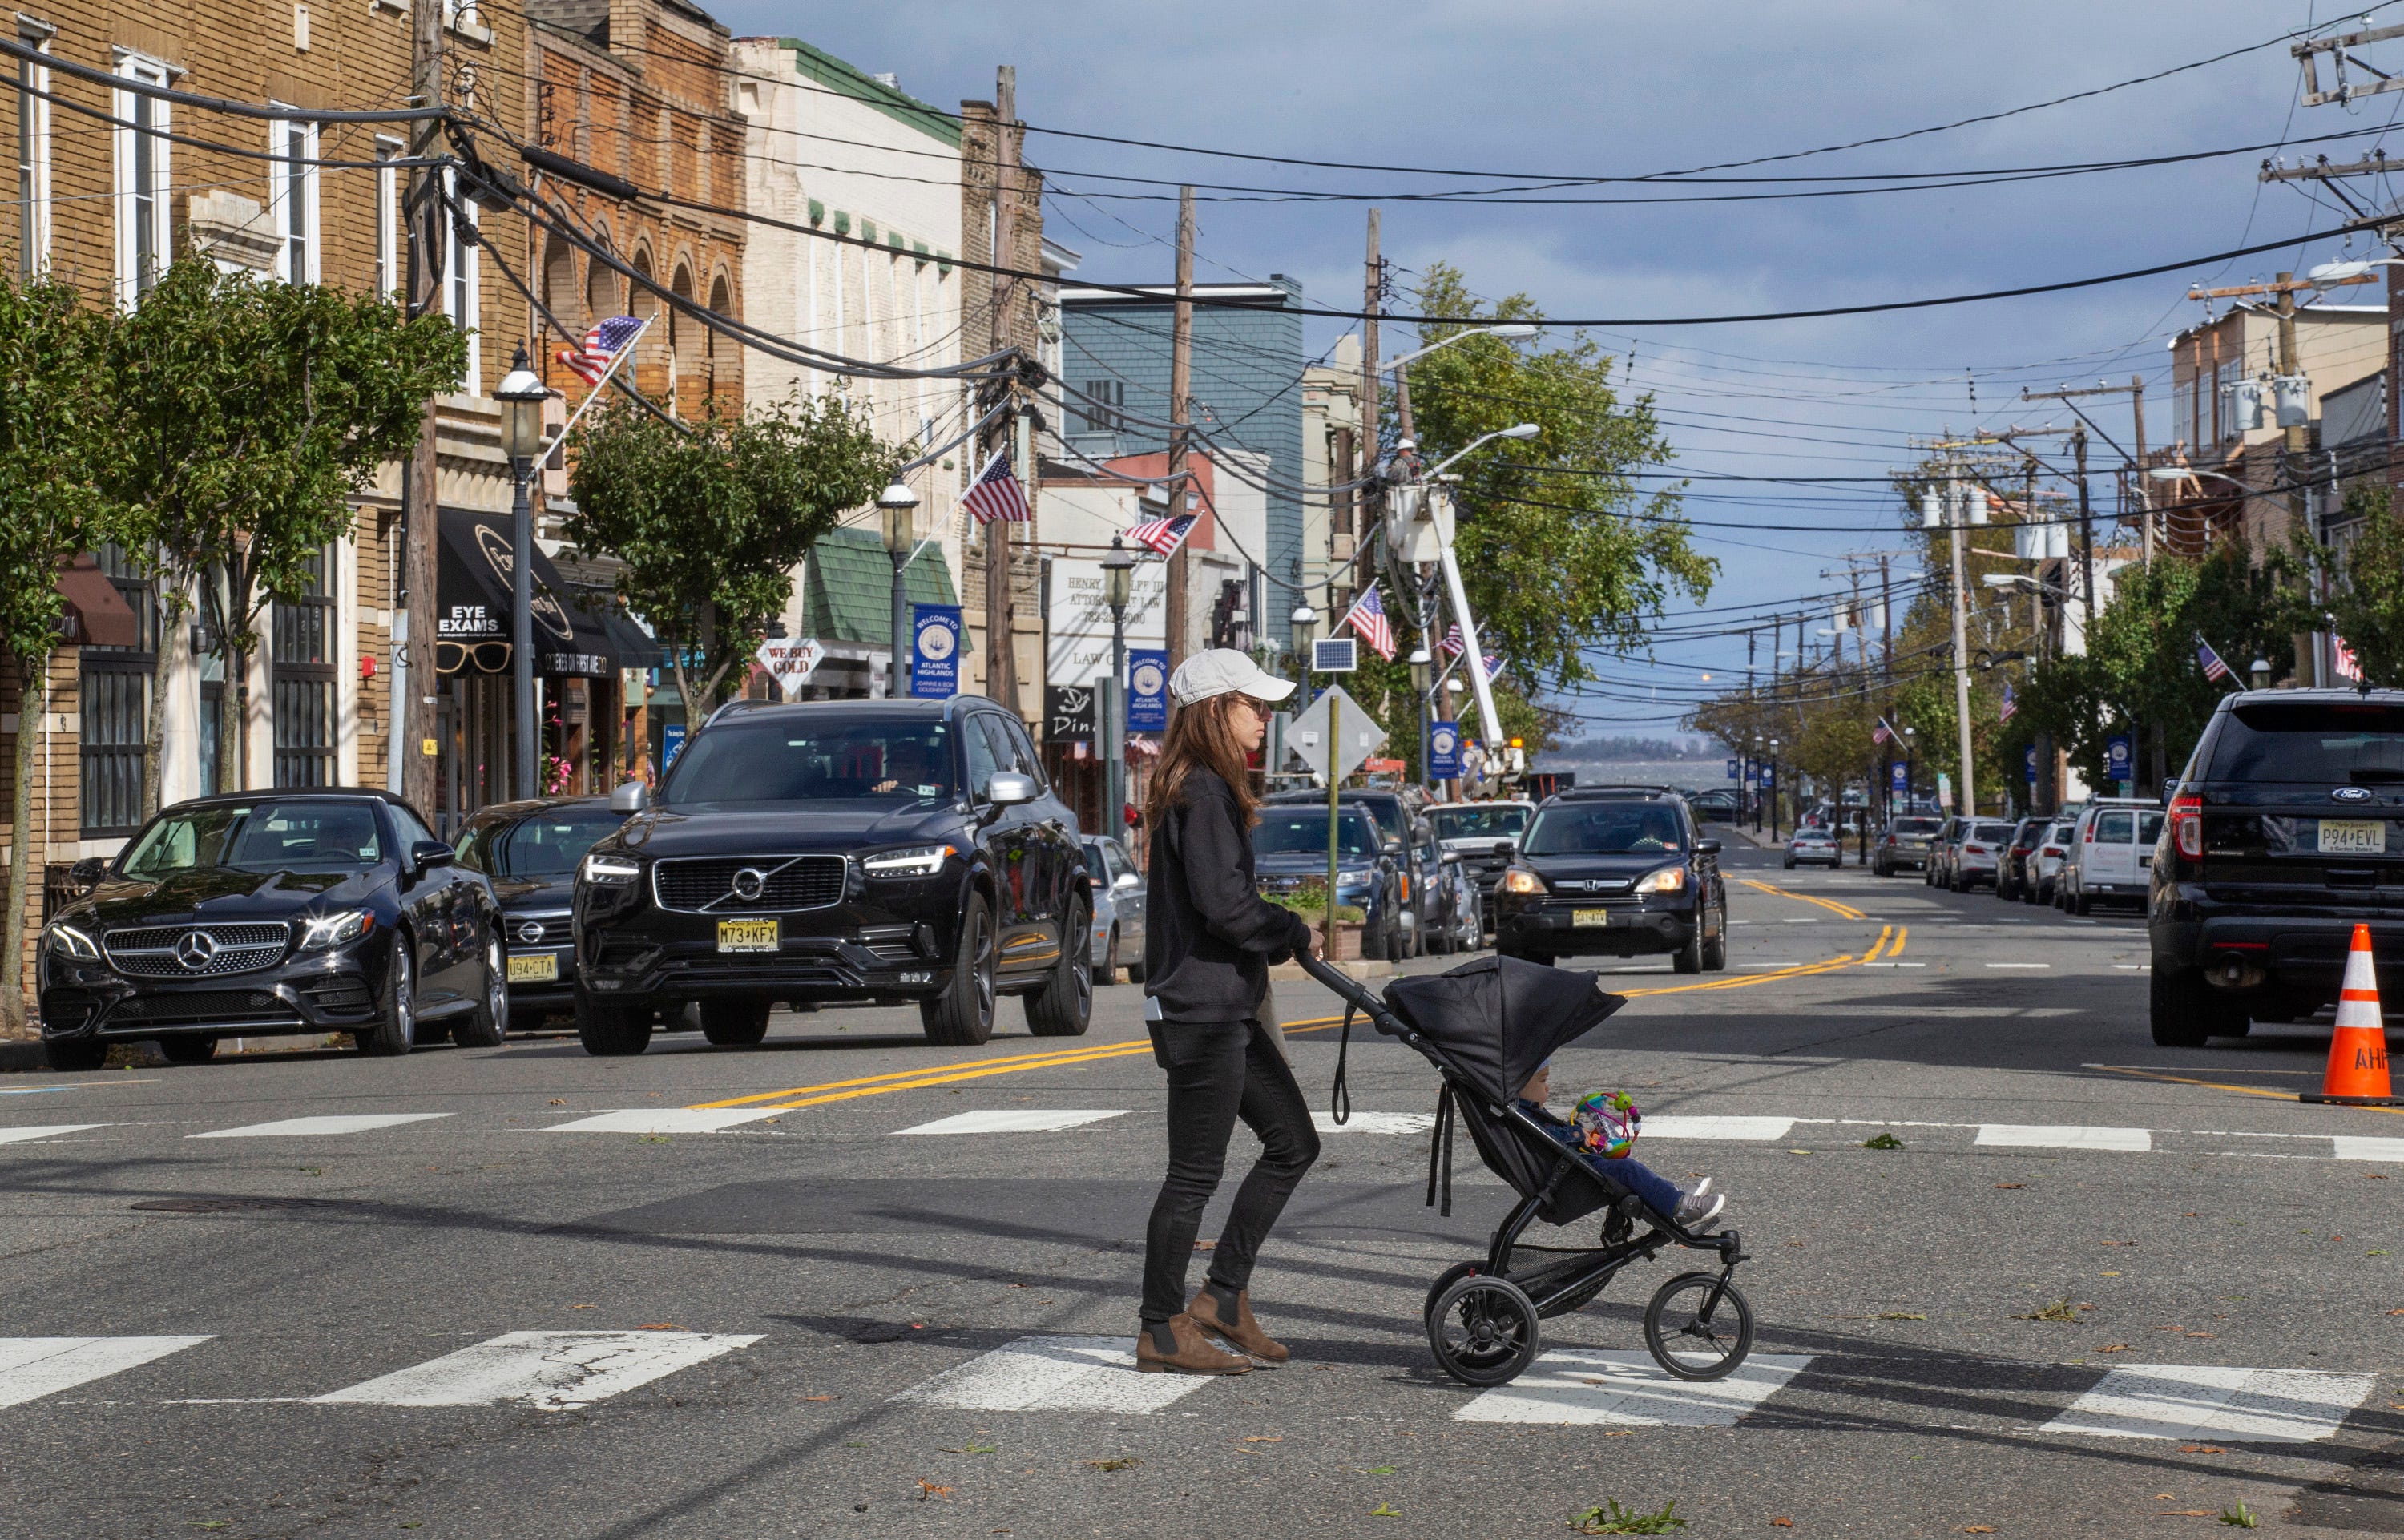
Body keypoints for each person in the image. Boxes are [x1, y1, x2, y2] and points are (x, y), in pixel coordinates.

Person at [1135, 648, 1321, 1376]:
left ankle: (1224, 1296)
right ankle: (1158, 1327)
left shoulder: (1203, 788)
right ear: (1216, 709)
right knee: (1193, 1175)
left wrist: (1277, 932)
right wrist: (1288, 929)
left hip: (1226, 1008)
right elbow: (1225, 908)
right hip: (1203, 1013)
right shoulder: (1200, 792)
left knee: (1293, 1144)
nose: (1265, 717)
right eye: (1254, 704)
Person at [1516, 1062, 1725, 1231]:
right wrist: (1576, 1134)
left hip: (1566, 1173)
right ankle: (1680, 1207)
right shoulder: (1521, 1116)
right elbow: (1552, 1138)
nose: (1548, 1088)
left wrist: (1578, 1133)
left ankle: (1674, 1195)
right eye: (1543, 1081)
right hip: (1568, 1181)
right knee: (1627, 1170)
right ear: (1519, 1084)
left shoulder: (1520, 1114)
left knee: (1627, 1168)